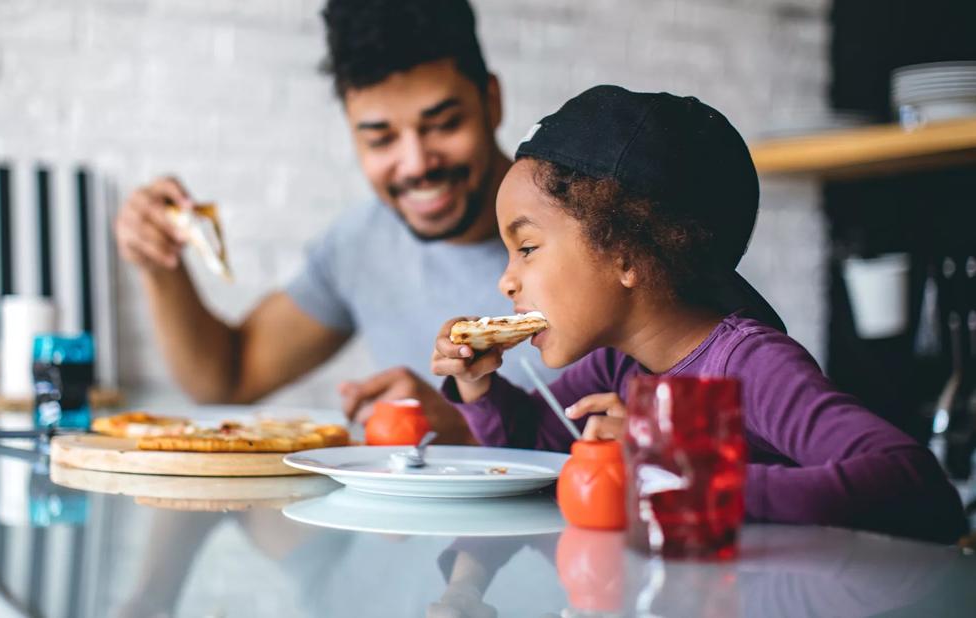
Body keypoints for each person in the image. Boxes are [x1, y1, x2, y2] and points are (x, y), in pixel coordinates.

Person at [431, 85, 967, 543]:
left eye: (526, 248)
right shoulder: (622, 366)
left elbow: (916, 488)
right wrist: (479, 386)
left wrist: (680, 464)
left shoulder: (751, 367)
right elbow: (533, 447)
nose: (506, 281)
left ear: (623, 251)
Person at [112, 0, 559, 442]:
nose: (416, 163)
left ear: (492, 101)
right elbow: (226, 379)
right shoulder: (361, 243)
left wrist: (470, 429)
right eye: (381, 138)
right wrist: (159, 263)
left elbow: (622, 433)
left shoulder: (589, 230)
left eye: (443, 124)